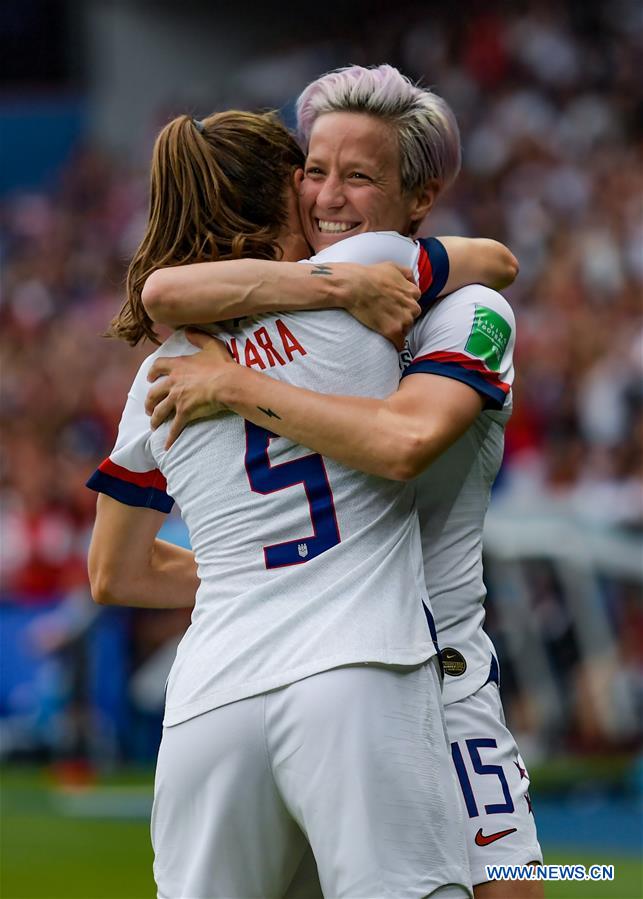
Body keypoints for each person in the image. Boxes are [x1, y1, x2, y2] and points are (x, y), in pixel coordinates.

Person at [142, 66, 543, 898]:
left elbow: (402, 440)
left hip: (439, 675)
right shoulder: (296, 304)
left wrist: (238, 386)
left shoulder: (466, 313)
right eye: (312, 171)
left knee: (511, 885)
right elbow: (161, 292)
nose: (327, 196)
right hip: (337, 670)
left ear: (419, 195)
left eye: (357, 176)